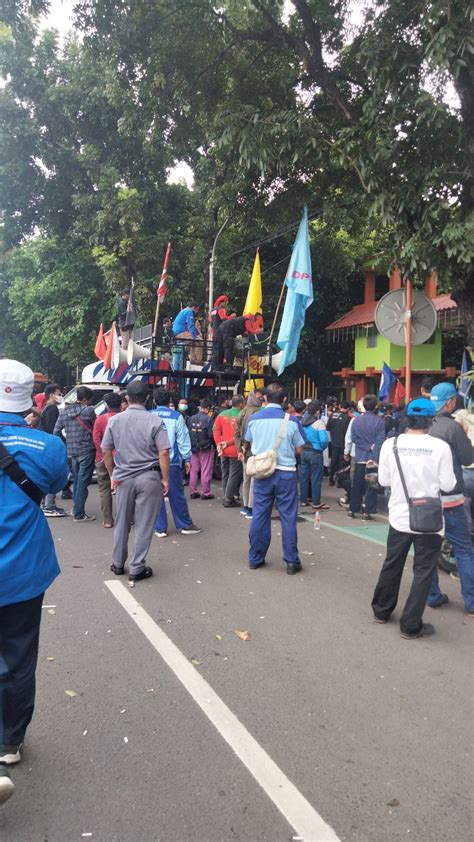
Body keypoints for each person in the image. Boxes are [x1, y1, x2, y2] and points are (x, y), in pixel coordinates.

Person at [0, 359, 68, 804]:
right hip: (23, 571)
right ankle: (8, 742)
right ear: (31, 398)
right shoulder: (47, 445)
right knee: (19, 657)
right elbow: (57, 483)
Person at [371, 398, 456, 638]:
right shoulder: (440, 447)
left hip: (399, 517)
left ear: (406, 418)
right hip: (429, 521)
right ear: (432, 420)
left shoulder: (391, 444)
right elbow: (448, 484)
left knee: (392, 563)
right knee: (423, 570)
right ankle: (410, 625)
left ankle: (381, 611)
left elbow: (384, 481)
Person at [102, 380, 170, 584]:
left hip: (123, 478)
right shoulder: (155, 421)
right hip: (149, 477)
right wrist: (165, 479)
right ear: (148, 398)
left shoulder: (115, 421)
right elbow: (164, 451)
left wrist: (113, 474)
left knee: (122, 521)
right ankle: (137, 567)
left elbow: (106, 451)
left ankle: (117, 563)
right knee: (144, 523)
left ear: (126, 398)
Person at [245, 383, 305, 573]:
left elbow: (251, 442)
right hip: (286, 473)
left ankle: (255, 558)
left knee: (260, 515)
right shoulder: (293, 421)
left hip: (263, 473)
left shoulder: (254, 419)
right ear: (285, 400)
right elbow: (299, 449)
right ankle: (291, 561)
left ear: (264, 398)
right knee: (288, 516)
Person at [425, 382, 474, 616]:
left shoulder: (420, 426)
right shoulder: (452, 427)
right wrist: (463, 434)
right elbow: (467, 459)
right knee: (463, 550)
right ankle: (472, 603)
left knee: (429, 549)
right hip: (452, 498)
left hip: (427, 499)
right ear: (450, 402)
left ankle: (432, 595)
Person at [151, 389, 202, 537]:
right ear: (170, 402)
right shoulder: (176, 416)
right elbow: (183, 439)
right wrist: (187, 458)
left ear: (154, 401)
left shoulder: (148, 415)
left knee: (155, 495)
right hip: (171, 462)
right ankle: (185, 524)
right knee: (177, 494)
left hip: (151, 462)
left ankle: (160, 528)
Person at [53, 385, 97, 522]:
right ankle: (79, 514)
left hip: (71, 451)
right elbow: (95, 430)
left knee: (77, 481)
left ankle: (75, 509)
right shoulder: (88, 411)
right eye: (89, 400)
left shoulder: (64, 411)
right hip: (87, 450)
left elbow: (56, 431)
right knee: (83, 482)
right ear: (84, 399)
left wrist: (67, 443)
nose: (90, 402)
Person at [348, 394, 386, 520]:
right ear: (375, 406)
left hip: (360, 456)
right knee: (371, 484)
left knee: (357, 483)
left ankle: (353, 509)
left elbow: (353, 438)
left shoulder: (356, 420)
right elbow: (380, 442)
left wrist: (365, 446)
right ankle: (367, 511)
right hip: (373, 458)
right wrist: (373, 452)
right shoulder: (380, 421)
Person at [92, 392, 122, 528]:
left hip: (103, 458)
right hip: (123, 458)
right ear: (121, 403)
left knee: (104, 489)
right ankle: (126, 518)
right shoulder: (124, 418)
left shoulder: (100, 419)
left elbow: (96, 439)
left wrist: (103, 454)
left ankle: (108, 520)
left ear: (106, 405)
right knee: (124, 488)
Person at [39, 383, 67, 517]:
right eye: (59, 394)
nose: (60, 396)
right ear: (51, 395)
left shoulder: (45, 408)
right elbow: (52, 429)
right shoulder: (52, 409)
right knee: (53, 474)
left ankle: (47, 504)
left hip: (44, 445)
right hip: (49, 447)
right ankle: (49, 506)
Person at [235, 389, 264, 518]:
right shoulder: (256, 412)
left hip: (243, 450)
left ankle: (246, 506)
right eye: (259, 396)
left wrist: (239, 449)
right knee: (253, 480)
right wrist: (245, 447)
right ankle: (251, 508)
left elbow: (237, 433)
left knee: (246, 479)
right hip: (252, 450)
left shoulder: (242, 411)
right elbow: (249, 433)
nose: (261, 399)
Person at [213, 395, 245, 506]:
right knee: (234, 475)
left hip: (222, 450)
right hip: (235, 450)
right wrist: (229, 443)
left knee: (225, 473)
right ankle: (228, 498)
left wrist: (219, 444)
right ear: (241, 404)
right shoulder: (242, 416)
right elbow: (240, 435)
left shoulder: (222, 415)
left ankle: (226, 494)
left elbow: (216, 430)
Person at [300, 400, 329, 510]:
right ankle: (316, 502)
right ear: (317, 411)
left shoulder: (302, 421)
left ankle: (303, 500)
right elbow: (324, 440)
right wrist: (321, 448)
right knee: (316, 478)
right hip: (316, 452)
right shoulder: (319, 423)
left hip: (304, 451)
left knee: (304, 477)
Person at [187, 398, 215, 499]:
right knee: (205, 470)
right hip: (205, 448)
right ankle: (206, 492)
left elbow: (188, 433)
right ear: (208, 408)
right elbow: (211, 435)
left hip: (193, 448)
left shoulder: (191, 418)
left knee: (193, 470)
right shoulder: (209, 419)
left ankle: (193, 491)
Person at [326, 401, 351, 484]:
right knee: (342, 462)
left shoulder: (333, 415)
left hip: (334, 441)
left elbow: (328, 427)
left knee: (333, 461)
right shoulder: (347, 418)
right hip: (343, 442)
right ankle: (340, 481)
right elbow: (348, 433)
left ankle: (331, 480)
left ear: (340, 406)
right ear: (348, 409)